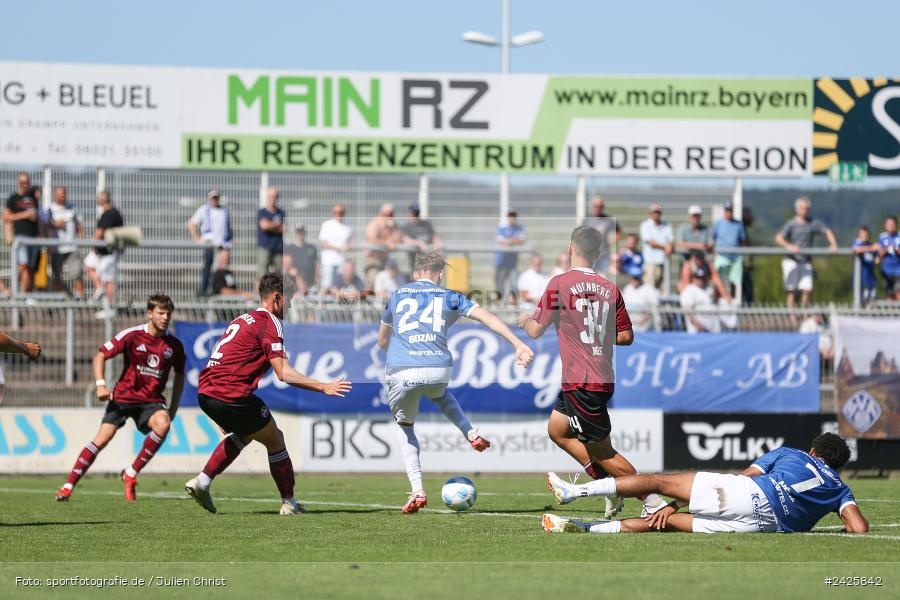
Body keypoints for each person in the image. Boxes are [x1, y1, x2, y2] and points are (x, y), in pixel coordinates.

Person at [517, 226, 667, 519]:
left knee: (603, 452)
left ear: (571, 248)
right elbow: (626, 337)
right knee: (558, 430)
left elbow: (535, 330)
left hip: (582, 381)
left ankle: (652, 500)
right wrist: (596, 331)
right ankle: (608, 487)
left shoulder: (559, 283)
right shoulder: (611, 288)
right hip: (601, 375)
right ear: (598, 254)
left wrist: (524, 320)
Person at [378, 250, 533, 513]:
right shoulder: (450, 295)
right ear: (439, 274)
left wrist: (402, 349)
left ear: (415, 274)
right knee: (439, 392)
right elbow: (489, 318)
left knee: (405, 425)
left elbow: (382, 341)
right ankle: (470, 432)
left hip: (402, 369)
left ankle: (417, 489)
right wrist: (518, 344)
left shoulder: (397, 294)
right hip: (439, 368)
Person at [185, 273, 351, 515]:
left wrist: (222, 412)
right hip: (230, 393)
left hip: (207, 393)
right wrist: (322, 386)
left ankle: (203, 481)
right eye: (289, 299)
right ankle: (289, 503)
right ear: (276, 297)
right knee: (275, 439)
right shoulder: (270, 322)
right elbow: (283, 373)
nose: (291, 305)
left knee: (246, 433)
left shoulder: (242, 319)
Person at [543, 433, 868, 536]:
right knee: (665, 525)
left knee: (660, 481)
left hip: (750, 494)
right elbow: (859, 529)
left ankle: (574, 492)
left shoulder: (792, 453)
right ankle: (584, 529)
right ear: (837, 465)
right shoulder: (839, 488)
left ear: (813, 451)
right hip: (763, 527)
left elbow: (744, 479)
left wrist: (675, 500)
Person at [55, 295, 185, 502]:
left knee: (163, 424)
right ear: (149, 313)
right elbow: (100, 355)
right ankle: (68, 486)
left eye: (168, 313)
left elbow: (180, 375)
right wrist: (100, 385)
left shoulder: (174, 345)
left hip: (151, 401)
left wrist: (174, 406)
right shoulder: (132, 335)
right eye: (160, 312)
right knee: (102, 439)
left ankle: (131, 473)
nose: (165, 317)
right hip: (123, 397)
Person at [774, 196, 838, 310]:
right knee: (791, 289)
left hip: (805, 261)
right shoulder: (791, 223)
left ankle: (804, 314)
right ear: (797, 209)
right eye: (802, 208)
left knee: (807, 289)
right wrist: (789, 246)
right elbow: (778, 237)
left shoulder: (812, 223)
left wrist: (833, 244)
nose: (805, 211)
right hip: (791, 259)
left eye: (807, 208)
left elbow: (827, 231)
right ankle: (792, 317)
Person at [188, 189, 233, 297]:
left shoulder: (224, 211)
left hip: (221, 246)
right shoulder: (204, 209)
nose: (214, 200)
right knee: (208, 267)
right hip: (209, 244)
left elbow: (228, 229)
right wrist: (197, 239)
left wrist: (228, 243)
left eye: (216, 198)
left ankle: (217, 291)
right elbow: (191, 223)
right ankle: (204, 290)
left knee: (220, 272)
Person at [83, 191, 123, 304]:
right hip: (108, 251)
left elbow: (99, 232)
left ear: (100, 200)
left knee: (109, 279)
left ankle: (110, 308)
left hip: (108, 252)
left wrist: (94, 245)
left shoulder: (108, 214)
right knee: (89, 265)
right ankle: (100, 289)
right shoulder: (115, 212)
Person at [4, 172, 40, 293]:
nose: (24, 185)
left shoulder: (33, 198)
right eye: (22, 182)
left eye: (27, 182)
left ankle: (25, 294)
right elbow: (7, 218)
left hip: (33, 239)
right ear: (18, 183)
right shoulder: (13, 198)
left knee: (30, 268)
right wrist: (25, 214)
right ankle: (19, 293)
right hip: (21, 239)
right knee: (23, 266)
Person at [47, 186, 85, 298]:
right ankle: (67, 297)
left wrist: (82, 239)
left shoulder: (72, 208)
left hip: (72, 247)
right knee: (56, 276)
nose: (62, 196)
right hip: (56, 249)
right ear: (55, 195)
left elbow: (79, 225)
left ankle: (79, 299)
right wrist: (55, 225)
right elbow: (45, 226)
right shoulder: (50, 209)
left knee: (77, 273)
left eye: (64, 193)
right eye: (60, 194)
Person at [711, 202, 746, 297]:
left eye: (730, 210)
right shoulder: (718, 223)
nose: (728, 213)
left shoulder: (738, 224)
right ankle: (716, 301)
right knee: (718, 280)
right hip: (721, 256)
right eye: (727, 210)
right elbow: (713, 239)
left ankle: (732, 302)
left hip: (735, 257)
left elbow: (742, 240)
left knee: (734, 282)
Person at [364, 203, 402, 288]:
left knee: (392, 281)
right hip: (373, 259)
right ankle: (372, 300)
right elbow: (371, 239)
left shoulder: (393, 225)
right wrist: (387, 243)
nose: (389, 217)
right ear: (381, 213)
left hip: (386, 259)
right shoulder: (375, 223)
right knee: (373, 280)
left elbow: (399, 238)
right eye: (387, 214)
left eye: (391, 214)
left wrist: (392, 230)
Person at [582, 195, 621, 274]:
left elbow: (619, 231)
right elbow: (581, 233)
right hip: (590, 254)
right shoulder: (587, 219)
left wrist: (613, 241)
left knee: (603, 276)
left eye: (600, 206)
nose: (597, 208)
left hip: (604, 253)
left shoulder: (608, 220)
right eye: (595, 206)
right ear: (593, 207)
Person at [639, 204, 674, 290]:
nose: (656, 214)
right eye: (654, 212)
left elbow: (671, 240)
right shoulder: (645, 225)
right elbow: (651, 243)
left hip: (664, 262)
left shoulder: (667, 225)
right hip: (650, 262)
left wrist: (669, 246)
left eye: (658, 212)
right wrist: (666, 246)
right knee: (650, 288)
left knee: (664, 288)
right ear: (650, 213)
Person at [679, 262, 721, 334]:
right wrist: (697, 324)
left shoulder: (709, 289)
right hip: (698, 332)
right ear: (694, 278)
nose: (700, 280)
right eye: (698, 277)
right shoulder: (689, 290)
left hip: (713, 331)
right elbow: (687, 310)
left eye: (702, 278)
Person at [318, 203, 352, 291]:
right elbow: (323, 242)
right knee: (326, 285)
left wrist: (348, 246)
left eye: (341, 212)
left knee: (338, 286)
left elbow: (350, 242)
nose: (339, 214)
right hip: (328, 261)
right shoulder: (327, 224)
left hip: (341, 261)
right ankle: (320, 304)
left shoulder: (347, 228)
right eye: (336, 212)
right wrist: (339, 248)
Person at [495, 211, 526, 301]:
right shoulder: (502, 226)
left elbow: (521, 241)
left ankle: (513, 304)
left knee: (514, 284)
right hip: (501, 261)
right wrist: (513, 240)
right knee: (500, 284)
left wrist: (509, 241)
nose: (512, 219)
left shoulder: (519, 227)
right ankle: (499, 304)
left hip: (513, 261)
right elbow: (500, 241)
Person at [401, 202, 443, 268]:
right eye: (413, 213)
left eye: (417, 213)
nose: (415, 215)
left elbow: (434, 237)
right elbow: (405, 239)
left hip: (429, 261)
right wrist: (419, 243)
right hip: (415, 262)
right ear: (409, 213)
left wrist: (439, 242)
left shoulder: (427, 224)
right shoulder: (407, 226)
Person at [256, 187, 285, 279]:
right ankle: (258, 293)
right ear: (267, 197)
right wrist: (276, 225)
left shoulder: (281, 212)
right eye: (271, 196)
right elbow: (264, 226)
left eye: (275, 196)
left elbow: (284, 228)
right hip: (264, 247)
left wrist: (270, 226)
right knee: (261, 275)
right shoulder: (262, 212)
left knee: (278, 276)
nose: (273, 199)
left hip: (278, 248)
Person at [621, 266, 659, 333]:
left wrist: (644, 318)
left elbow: (654, 307)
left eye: (637, 277)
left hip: (644, 327)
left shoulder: (649, 289)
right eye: (633, 277)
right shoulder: (627, 289)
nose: (635, 280)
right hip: (629, 326)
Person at [284, 224, 318, 295]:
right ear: (295, 233)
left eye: (302, 232)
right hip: (295, 283)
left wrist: (317, 278)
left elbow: (316, 265)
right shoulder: (289, 249)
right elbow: (286, 267)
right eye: (298, 232)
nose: (300, 234)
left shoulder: (311, 248)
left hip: (310, 282)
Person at [852, 226, 879, 306]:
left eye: (866, 234)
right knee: (861, 301)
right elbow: (857, 250)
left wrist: (878, 256)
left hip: (870, 278)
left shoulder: (871, 244)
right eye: (863, 234)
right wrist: (872, 248)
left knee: (871, 301)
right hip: (861, 279)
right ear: (859, 235)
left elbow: (876, 257)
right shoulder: (857, 242)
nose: (865, 236)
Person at [878, 216, 900, 301]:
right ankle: (890, 313)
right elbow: (879, 253)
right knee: (889, 294)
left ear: (896, 225)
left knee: (898, 293)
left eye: (892, 224)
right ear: (885, 225)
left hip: (898, 270)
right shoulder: (882, 237)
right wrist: (886, 249)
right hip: (886, 271)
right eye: (889, 224)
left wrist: (896, 249)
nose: (891, 226)